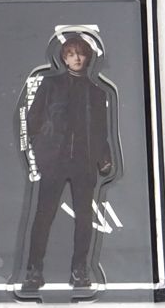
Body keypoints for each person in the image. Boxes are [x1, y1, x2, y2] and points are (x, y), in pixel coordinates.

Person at [21, 35, 114, 291]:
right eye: (71, 54)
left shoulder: (97, 92)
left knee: (84, 218)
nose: (77, 58)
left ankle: (79, 271)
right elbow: (33, 119)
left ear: (88, 57)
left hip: (84, 162)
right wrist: (41, 152)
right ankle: (33, 271)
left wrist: (104, 158)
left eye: (81, 53)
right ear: (64, 58)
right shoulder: (51, 84)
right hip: (54, 160)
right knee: (43, 216)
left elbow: (101, 130)